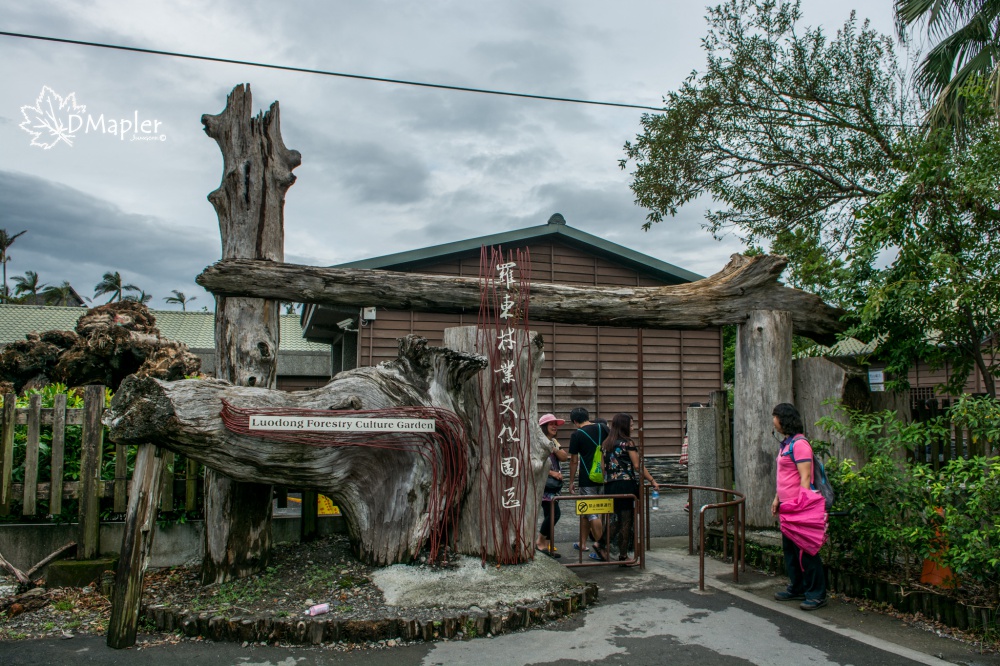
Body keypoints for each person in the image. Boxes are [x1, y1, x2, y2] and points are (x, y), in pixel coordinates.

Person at [770, 402, 828, 610]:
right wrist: (777, 498)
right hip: (787, 505)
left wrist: (801, 507)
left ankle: (817, 594)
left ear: (784, 419)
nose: (773, 421)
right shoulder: (786, 444)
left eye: (775, 416)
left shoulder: (800, 444)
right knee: (791, 551)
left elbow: (805, 477)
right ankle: (798, 587)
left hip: (798, 506)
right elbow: (784, 476)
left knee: (806, 550)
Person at [601, 413, 659, 563]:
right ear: (624, 426)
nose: (632, 428)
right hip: (626, 485)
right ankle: (622, 554)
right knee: (626, 520)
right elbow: (637, 465)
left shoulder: (606, 443)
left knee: (616, 518)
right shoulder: (628, 443)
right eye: (631, 425)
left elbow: (602, 468)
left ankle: (602, 544)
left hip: (610, 485)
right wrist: (652, 480)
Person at [567, 407, 607, 560]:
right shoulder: (603, 427)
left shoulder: (577, 435)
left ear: (575, 421)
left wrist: (571, 481)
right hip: (604, 476)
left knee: (592, 513)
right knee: (586, 511)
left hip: (587, 479)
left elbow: (574, 460)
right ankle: (582, 543)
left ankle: (602, 549)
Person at [537, 413, 569, 558]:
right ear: (544, 426)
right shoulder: (538, 442)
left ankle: (546, 545)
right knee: (554, 514)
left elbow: (564, 457)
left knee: (549, 514)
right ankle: (540, 541)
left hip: (553, 486)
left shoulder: (553, 441)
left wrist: (554, 447)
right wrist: (552, 473)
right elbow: (534, 462)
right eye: (551, 424)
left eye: (556, 424)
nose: (554, 426)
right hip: (543, 484)